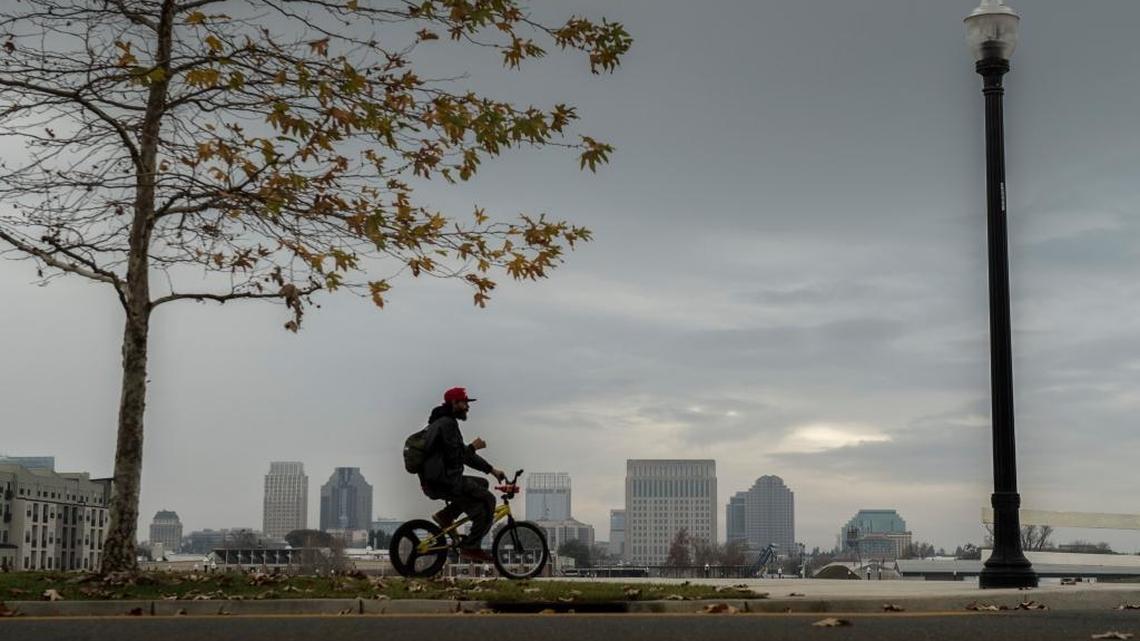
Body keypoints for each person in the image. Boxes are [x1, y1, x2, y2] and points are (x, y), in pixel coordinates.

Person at [418, 387, 505, 563]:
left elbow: (462, 455)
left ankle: (446, 515)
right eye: (464, 403)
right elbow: (458, 456)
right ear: (454, 403)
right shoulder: (446, 424)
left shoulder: (443, 422)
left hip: (440, 480)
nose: (467, 407)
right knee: (488, 501)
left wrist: (491, 470)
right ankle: (471, 547)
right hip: (445, 481)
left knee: (482, 484)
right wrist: (473, 447)